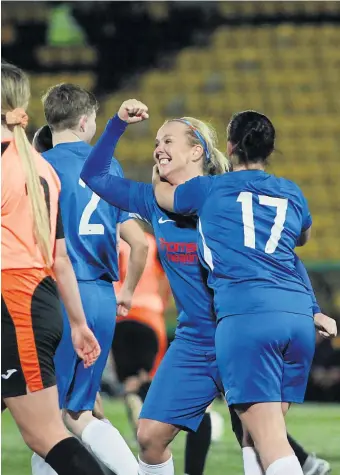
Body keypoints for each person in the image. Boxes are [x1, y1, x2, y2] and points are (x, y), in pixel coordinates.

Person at [80, 100, 336, 475]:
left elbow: (280, 258)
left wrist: (312, 307)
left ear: (197, 150)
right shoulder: (157, 201)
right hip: (198, 340)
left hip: (239, 327)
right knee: (150, 436)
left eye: (168, 140)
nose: (158, 148)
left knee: (257, 440)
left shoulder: (220, 195)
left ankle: (299, 462)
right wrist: (117, 124)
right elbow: (95, 176)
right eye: (155, 141)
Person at [153, 110, 338, 475]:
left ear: (232, 145)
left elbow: (165, 197)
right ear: (270, 149)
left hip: (249, 318)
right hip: (298, 322)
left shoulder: (211, 188)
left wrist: (160, 174)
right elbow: (301, 238)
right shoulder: (292, 192)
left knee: (270, 440)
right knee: (255, 434)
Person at [30, 84, 148, 475]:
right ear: (85, 122)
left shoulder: (40, 168)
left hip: (59, 294)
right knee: (79, 407)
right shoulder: (108, 168)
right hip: (101, 295)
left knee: (51, 416)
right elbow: (139, 244)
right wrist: (126, 293)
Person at [1, 61, 109, 475]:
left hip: (14, 303)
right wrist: (79, 325)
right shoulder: (38, 166)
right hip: (35, 298)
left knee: (46, 434)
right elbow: (58, 257)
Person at [112, 232, 170, 434]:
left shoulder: (113, 239)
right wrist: (162, 303)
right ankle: (150, 426)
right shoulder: (152, 242)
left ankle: (134, 406)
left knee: (128, 378)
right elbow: (166, 277)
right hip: (150, 312)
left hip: (121, 311)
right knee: (150, 374)